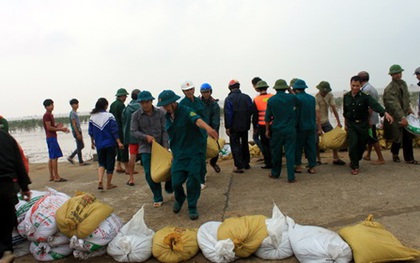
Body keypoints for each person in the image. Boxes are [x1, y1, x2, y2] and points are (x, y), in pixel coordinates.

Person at [157, 90, 218, 220]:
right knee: (176, 182)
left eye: (167, 104)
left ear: (173, 102)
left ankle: (192, 206)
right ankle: (180, 199)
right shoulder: (167, 117)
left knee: (193, 181)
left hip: (193, 153)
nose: (165, 107)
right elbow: (172, 137)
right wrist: (172, 153)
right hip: (178, 155)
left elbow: (197, 120)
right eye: (163, 105)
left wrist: (209, 129)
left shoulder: (185, 110)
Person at [343, 76, 393, 175]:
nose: (355, 88)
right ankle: (355, 166)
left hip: (362, 124)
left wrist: (384, 113)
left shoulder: (365, 96)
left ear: (360, 85)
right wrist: (345, 124)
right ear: (350, 84)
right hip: (351, 124)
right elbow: (345, 112)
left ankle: (355, 159)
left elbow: (374, 105)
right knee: (353, 145)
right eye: (353, 85)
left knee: (361, 145)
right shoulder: (346, 96)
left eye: (357, 86)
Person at [131, 91, 172, 207]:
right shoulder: (136, 115)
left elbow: (165, 130)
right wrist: (145, 137)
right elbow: (133, 131)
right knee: (149, 173)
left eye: (147, 102)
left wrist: (165, 145)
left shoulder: (161, 113)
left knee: (168, 167)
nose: (145, 105)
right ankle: (158, 196)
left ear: (151, 101)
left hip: (160, 146)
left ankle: (169, 184)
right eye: (142, 103)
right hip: (146, 148)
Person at [0, 131, 31, 263]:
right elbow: (19, 163)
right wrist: (25, 188)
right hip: (8, 187)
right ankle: (6, 251)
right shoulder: (7, 138)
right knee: (7, 220)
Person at [383, 64, 419, 165]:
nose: (398, 75)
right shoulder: (390, 88)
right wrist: (402, 117)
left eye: (399, 73)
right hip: (395, 116)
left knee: (408, 137)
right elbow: (394, 105)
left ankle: (409, 158)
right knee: (397, 138)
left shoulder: (403, 84)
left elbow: (406, 98)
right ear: (391, 75)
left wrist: (409, 109)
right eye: (395, 74)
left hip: (405, 113)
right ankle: (395, 154)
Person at [265, 79, 300, 183]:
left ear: (275, 89)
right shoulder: (292, 98)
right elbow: (299, 102)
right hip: (290, 129)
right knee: (290, 153)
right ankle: (291, 177)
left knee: (276, 152)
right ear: (286, 88)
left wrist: (267, 130)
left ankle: (275, 173)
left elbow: (267, 117)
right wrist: (290, 90)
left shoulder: (271, 100)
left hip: (277, 130)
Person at [88, 98, 124, 190]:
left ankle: (100, 180)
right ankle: (108, 184)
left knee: (101, 163)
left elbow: (91, 132)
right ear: (106, 106)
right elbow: (114, 130)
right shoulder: (109, 116)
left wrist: (92, 142)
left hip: (99, 144)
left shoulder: (92, 117)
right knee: (110, 164)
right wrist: (119, 142)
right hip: (110, 143)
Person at [179, 81, 208, 190]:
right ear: (183, 92)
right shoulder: (182, 104)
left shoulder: (199, 102)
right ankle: (193, 177)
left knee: (201, 156)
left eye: (191, 89)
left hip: (201, 134)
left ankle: (201, 178)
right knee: (191, 157)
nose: (190, 92)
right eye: (187, 90)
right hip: (189, 135)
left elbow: (204, 117)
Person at [224, 79, 253, 173]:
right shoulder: (247, 97)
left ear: (230, 88)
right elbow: (251, 110)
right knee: (244, 144)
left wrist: (227, 127)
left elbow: (228, 114)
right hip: (245, 125)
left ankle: (239, 166)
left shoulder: (229, 99)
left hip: (234, 127)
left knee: (235, 145)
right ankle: (246, 163)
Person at [315, 81, 346, 165]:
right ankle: (318, 159)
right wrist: (319, 128)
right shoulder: (316, 98)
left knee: (334, 139)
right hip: (316, 122)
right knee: (316, 141)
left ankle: (335, 157)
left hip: (326, 121)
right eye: (323, 92)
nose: (324, 93)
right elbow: (317, 114)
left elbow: (334, 108)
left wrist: (339, 122)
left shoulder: (330, 95)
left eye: (326, 92)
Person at [358, 71, 385, 165]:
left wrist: (368, 119)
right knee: (370, 137)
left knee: (373, 137)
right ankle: (368, 154)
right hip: (373, 116)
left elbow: (368, 107)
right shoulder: (372, 88)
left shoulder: (366, 90)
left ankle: (380, 158)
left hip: (370, 118)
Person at [293, 79, 317, 174]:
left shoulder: (296, 99)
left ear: (296, 89)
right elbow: (314, 113)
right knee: (311, 147)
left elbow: (296, 114)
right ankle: (312, 166)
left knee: (298, 147)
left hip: (300, 127)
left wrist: (294, 125)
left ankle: (298, 166)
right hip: (311, 126)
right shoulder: (312, 98)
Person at [42, 99, 69, 182]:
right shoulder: (47, 115)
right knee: (54, 157)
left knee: (51, 156)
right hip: (51, 137)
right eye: (50, 105)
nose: (52, 106)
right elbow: (49, 128)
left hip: (51, 137)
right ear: (46, 107)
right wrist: (61, 129)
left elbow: (51, 127)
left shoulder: (50, 115)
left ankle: (52, 176)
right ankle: (56, 176)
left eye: (52, 105)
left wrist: (57, 127)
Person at [200, 83, 222, 173]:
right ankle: (202, 169)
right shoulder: (198, 103)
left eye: (207, 92)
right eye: (204, 92)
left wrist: (212, 131)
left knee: (216, 148)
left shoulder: (214, 105)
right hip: (200, 130)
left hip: (212, 130)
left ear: (210, 92)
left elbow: (216, 120)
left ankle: (213, 162)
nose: (206, 94)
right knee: (201, 151)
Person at [251, 80, 273, 169]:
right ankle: (275, 161)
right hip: (273, 124)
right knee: (273, 144)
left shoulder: (256, 100)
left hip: (262, 125)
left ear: (258, 89)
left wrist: (254, 127)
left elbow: (255, 115)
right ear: (267, 88)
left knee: (265, 144)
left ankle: (268, 163)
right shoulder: (272, 97)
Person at [122, 89, 141, 186]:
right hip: (142, 135)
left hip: (131, 135)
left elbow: (124, 122)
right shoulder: (142, 107)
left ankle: (131, 178)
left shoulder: (127, 108)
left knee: (132, 156)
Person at [110, 88, 130, 174]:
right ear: (121, 96)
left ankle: (118, 166)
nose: (125, 98)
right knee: (123, 147)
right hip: (121, 129)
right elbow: (124, 118)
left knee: (118, 147)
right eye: (125, 96)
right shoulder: (121, 105)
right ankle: (127, 168)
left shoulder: (112, 105)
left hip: (113, 129)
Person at [67, 98, 89, 166]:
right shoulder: (73, 113)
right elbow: (74, 124)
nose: (77, 105)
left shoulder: (75, 113)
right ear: (72, 105)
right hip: (76, 131)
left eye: (77, 104)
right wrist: (77, 133)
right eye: (75, 104)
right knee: (80, 146)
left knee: (81, 146)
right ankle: (80, 161)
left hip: (78, 130)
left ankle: (71, 157)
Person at [250, 77, 264, 162]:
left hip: (260, 123)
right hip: (269, 123)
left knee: (255, 137)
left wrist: (255, 125)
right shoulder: (270, 97)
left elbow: (254, 114)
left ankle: (265, 154)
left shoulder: (257, 99)